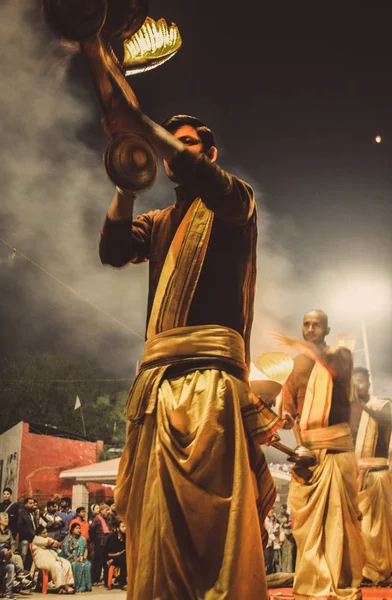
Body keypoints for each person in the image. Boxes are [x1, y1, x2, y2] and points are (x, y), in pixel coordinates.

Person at [100, 97, 280, 596]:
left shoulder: (235, 203)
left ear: (211, 154)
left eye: (187, 143)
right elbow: (113, 249)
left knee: (211, 522)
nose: (174, 151)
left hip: (211, 386)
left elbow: (204, 180)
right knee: (153, 520)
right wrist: (125, 184)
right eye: (169, 143)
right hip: (157, 387)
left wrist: (143, 127)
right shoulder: (159, 222)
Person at [277, 309, 365, 600]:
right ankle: (313, 579)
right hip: (308, 454)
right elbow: (288, 405)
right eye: (307, 324)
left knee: (338, 521)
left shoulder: (341, 355)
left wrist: (302, 347)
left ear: (327, 330)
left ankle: (339, 579)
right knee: (307, 527)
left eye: (317, 325)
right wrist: (288, 419)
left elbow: (331, 366)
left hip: (337, 449)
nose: (311, 328)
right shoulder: (294, 366)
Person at [351, 367, 392, 584]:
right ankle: (366, 571)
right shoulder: (349, 411)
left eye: (361, 382)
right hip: (357, 477)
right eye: (354, 382)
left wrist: (365, 408)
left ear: (368, 384)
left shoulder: (380, 405)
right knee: (361, 529)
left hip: (378, 475)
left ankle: (381, 571)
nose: (357, 386)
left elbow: (389, 420)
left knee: (378, 529)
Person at [0, 522, 33, 599]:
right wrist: (3, 553)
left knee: (10, 566)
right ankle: (19, 571)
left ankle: (8, 593)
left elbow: (9, 545)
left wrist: (8, 553)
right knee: (4, 551)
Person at [31, 525, 74, 594]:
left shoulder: (46, 538)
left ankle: (63, 587)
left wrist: (54, 543)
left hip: (50, 557)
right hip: (41, 558)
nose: (46, 534)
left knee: (66, 564)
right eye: (44, 533)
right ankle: (64, 587)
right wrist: (53, 543)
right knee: (57, 566)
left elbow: (55, 543)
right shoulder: (36, 539)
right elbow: (49, 542)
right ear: (39, 534)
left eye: (46, 532)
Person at [61, 523, 92, 592]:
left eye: (79, 528)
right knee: (75, 565)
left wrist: (83, 558)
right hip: (70, 558)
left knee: (87, 564)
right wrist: (74, 558)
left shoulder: (82, 539)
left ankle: (86, 586)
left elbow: (85, 549)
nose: (79, 530)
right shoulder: (67, 538)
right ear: (72, 530)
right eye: (77, 528)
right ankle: (76, 586)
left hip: (80, 558)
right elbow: (65, 551)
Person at [89, 504, 110, 584]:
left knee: (106, 561)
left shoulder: (109, 518)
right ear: (101, 511)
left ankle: (106, 579)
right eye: (106, 510)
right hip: (99, 542)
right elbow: (91, 530)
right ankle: (95, 579)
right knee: (98, 562)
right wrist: (95, 541)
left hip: (107, 542)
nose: (107, 512)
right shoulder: (97, 519)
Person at [104, 521, 127, 589]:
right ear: (118, 528)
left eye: (125, 526)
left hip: (118, 559)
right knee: (124, 558)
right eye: (123, 527)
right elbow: (107, 553)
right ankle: (123, 583)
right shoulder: (112, 537)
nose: (125, 528)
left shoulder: (126, 536)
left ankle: (121, 580)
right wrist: (116, 555)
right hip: (110, 558)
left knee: (125, 557)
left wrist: (117, 556)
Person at [17, 498, 37, 570]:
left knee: (30, 558)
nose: (32, 505)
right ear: (25, 504)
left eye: (33, 503)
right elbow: (19, 526)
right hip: (25, 539)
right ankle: (20, 572)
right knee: (24, 556)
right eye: (30, 503)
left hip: (33, 539)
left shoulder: (32, 514)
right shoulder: (22, 514)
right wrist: (31, 532)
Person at [264, 509, 281, 575]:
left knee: (270, 561)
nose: (273, 513)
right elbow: (268, 533)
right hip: (266, 544)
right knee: (267, 561)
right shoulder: (265, 521)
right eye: (271, 512)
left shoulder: (271, 521)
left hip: (270, 544)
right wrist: (276, 539)